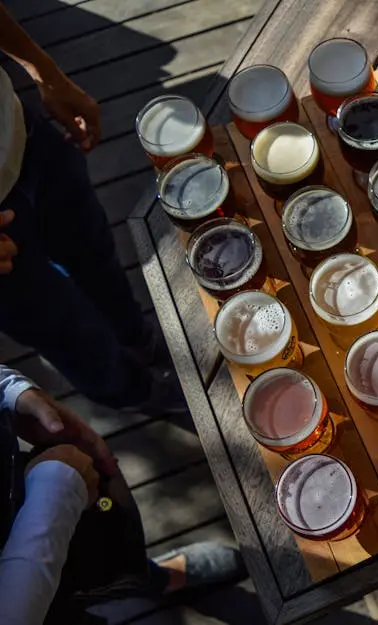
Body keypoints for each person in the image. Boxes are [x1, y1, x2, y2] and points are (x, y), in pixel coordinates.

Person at [0, 5, 183, 416]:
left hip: (24, 138)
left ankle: (136, 337)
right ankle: (137, 393)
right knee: (63, 326)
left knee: (94, 251)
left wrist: (44, 71)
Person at [0, 365, 246, 624]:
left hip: (22, 485)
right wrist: (57, 486)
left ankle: (152, 579)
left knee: (104, 543)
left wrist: (10, 391)